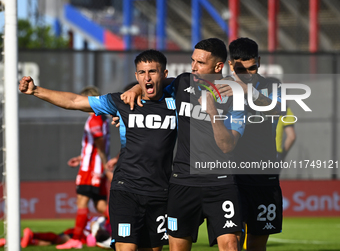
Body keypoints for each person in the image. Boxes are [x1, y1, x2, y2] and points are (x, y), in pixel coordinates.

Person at [19, 49, 177, 251]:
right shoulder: (121, 102)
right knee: (126, 248)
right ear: (136, 76)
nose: (147, 77)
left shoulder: (176, 101)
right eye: (142, 73)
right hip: (126, 190)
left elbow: (191, 81)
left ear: (163, 74)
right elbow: (75, 101)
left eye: (153, 72)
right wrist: (36, 91)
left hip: (160, 192)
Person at [120, 38, 246, 251]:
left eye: (200, 62)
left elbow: (227, 146)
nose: (193, 67)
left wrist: (212, 111)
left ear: (218, 66)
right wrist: (135, 89)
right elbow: (152, 84)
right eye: (192, 60)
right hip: (182, 183)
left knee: (231, 245)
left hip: (221, 182)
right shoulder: (182, 82)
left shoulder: (236, 96)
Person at [226, 37, 283, 251]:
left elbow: (278, 109)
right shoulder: (220, 88)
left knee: (257, 245)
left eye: (252, 68)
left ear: (258, 61)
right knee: (232, 242)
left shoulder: (272, 85)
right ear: (231, 64)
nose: (248, 75)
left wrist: (247, 91)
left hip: (264, 175)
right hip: (231, 176)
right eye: (242, 70)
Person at [54, 86, 110, 249]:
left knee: (82, 200)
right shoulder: (102, 118)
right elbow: (95, 145)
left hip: (91, 169)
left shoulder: (95, 119)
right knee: (101, 206)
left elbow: (99, 144)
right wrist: (81, 157)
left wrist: (103, 166)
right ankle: (129, 228)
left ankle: (76, 239)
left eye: (83, 99)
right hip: (93, 165)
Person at [0, 216, 111, 248]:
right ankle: (34, 234)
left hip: (80, 234)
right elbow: (93, 223)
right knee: (58, 239)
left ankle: (7, 241)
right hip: (80, 234)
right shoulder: (104, 220)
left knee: (50, 243)